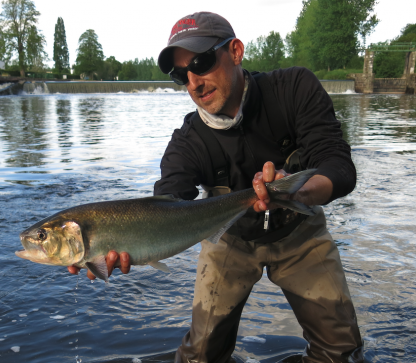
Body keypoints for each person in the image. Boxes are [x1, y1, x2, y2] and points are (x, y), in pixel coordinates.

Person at [70, 11, 363, 363]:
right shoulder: (187, 141)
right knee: (201, 357)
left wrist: (294, 192)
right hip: (228, 241)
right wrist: (118, 242)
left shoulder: (294, 89)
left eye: (202, 62)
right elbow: (168, 201)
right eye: (181, 74)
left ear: (236, 52)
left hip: (301, 233)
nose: (193, 81)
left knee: (341, 353)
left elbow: (339, 166)